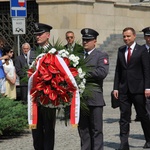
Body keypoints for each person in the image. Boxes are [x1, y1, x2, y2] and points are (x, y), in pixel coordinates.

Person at [113, 27, 150, 150]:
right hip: (124, 89)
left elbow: (146, 70)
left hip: (139, 89)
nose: (126, 38)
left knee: (143, 115)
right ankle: (124, 144)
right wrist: (115, 88)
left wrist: (147, 88)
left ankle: (149, 139)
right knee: (124, 117)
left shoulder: (142, 50)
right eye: (124, 36)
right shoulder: (120, 50)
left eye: (128, 36)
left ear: (134, 36)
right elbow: (118, 70)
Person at [78, 28, 109, 150]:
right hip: (81, 99)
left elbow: (102, 72)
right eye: (84, 40)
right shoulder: (78, 56)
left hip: (95, 98)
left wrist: (83, 73)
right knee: (83, 130)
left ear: (95, 41)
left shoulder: (101, 55)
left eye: (88, 40)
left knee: (96, 129)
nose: (85, 42)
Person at [31, 22, 56, 150]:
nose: (37, 37)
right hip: (35, 98)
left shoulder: (55, 52)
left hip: (48, 98)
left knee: (48, 129)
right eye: (36, 35)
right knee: (36, 129)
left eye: (40, 34)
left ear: (47, 35)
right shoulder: (33, 52)